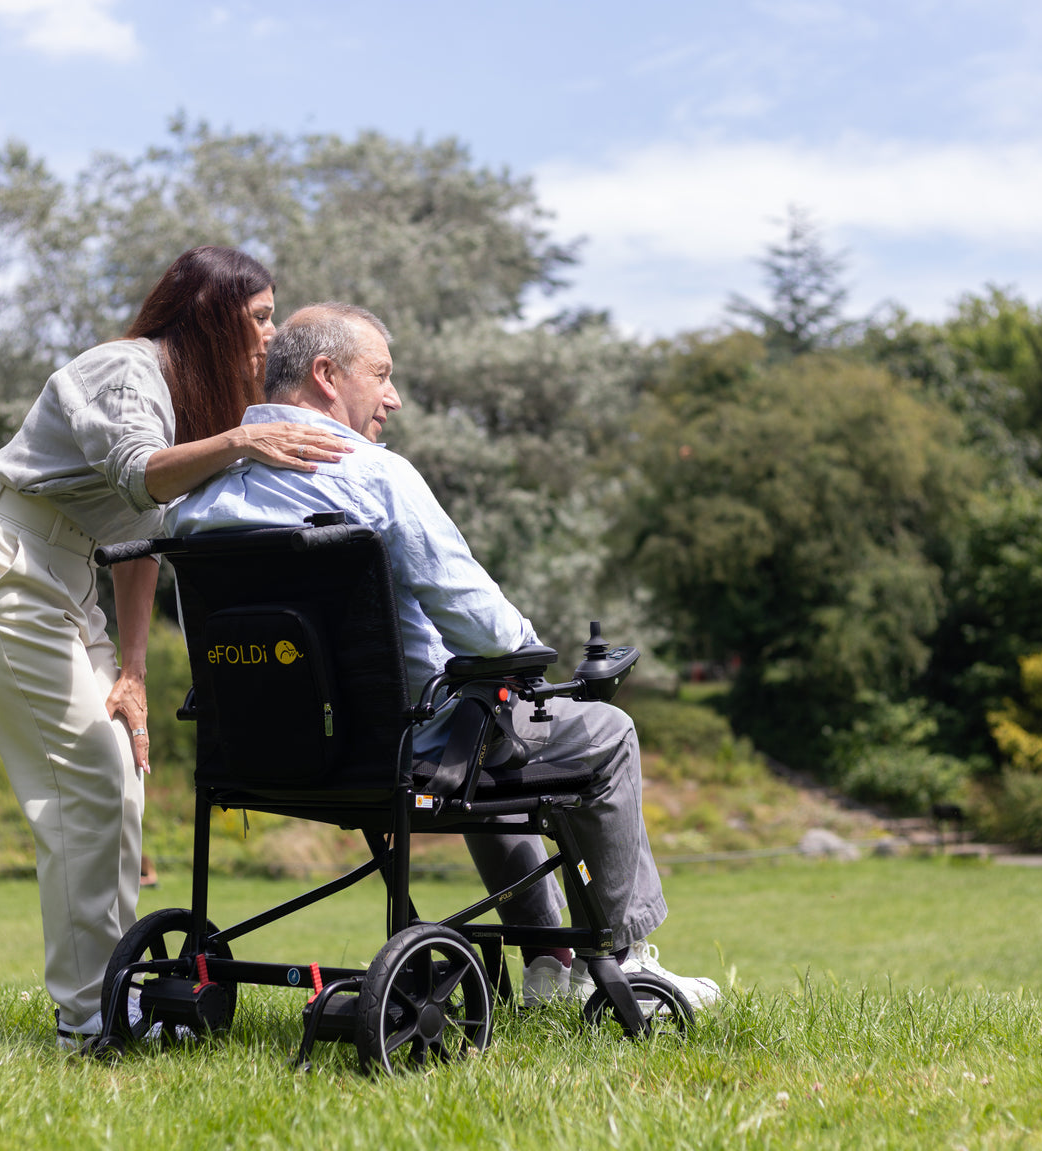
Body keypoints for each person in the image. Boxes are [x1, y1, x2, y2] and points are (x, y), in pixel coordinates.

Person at [168, 302, 722, 1012]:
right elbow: (484, 628)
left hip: (256, 753)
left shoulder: (202, 496)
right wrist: (531, 658)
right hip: (398, 746)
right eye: (383, 375)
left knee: (494, 733)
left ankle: (549, 959)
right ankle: (626, 962)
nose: (393, 397)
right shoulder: (376, 476)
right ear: (327, 374)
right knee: (598, 733)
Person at [0, 247, 352, 1050]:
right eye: (261, 315)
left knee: (117, 773)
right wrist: (242, 443)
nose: (270, 335)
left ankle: (112, 993)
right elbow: (139, 478)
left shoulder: (186, 405)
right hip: (10, 570)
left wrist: (132, 674)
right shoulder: (126, 373)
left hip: (69, 581)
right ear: (210, 312)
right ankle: (89, 1016)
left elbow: (140, 543)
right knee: (85, 778)